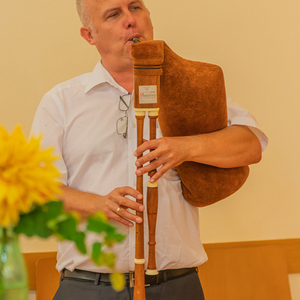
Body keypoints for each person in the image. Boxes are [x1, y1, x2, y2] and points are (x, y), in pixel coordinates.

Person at [31, 0, 268, 299]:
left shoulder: (191, 88)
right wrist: (99, 204)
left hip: (177, 286)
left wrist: (185, 147)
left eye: (135, 7)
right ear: (89, 35)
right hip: (88, 287)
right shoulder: (60, 103)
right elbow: (39, 193)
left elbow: (251, 145)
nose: (130, 20)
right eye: (114, 15)